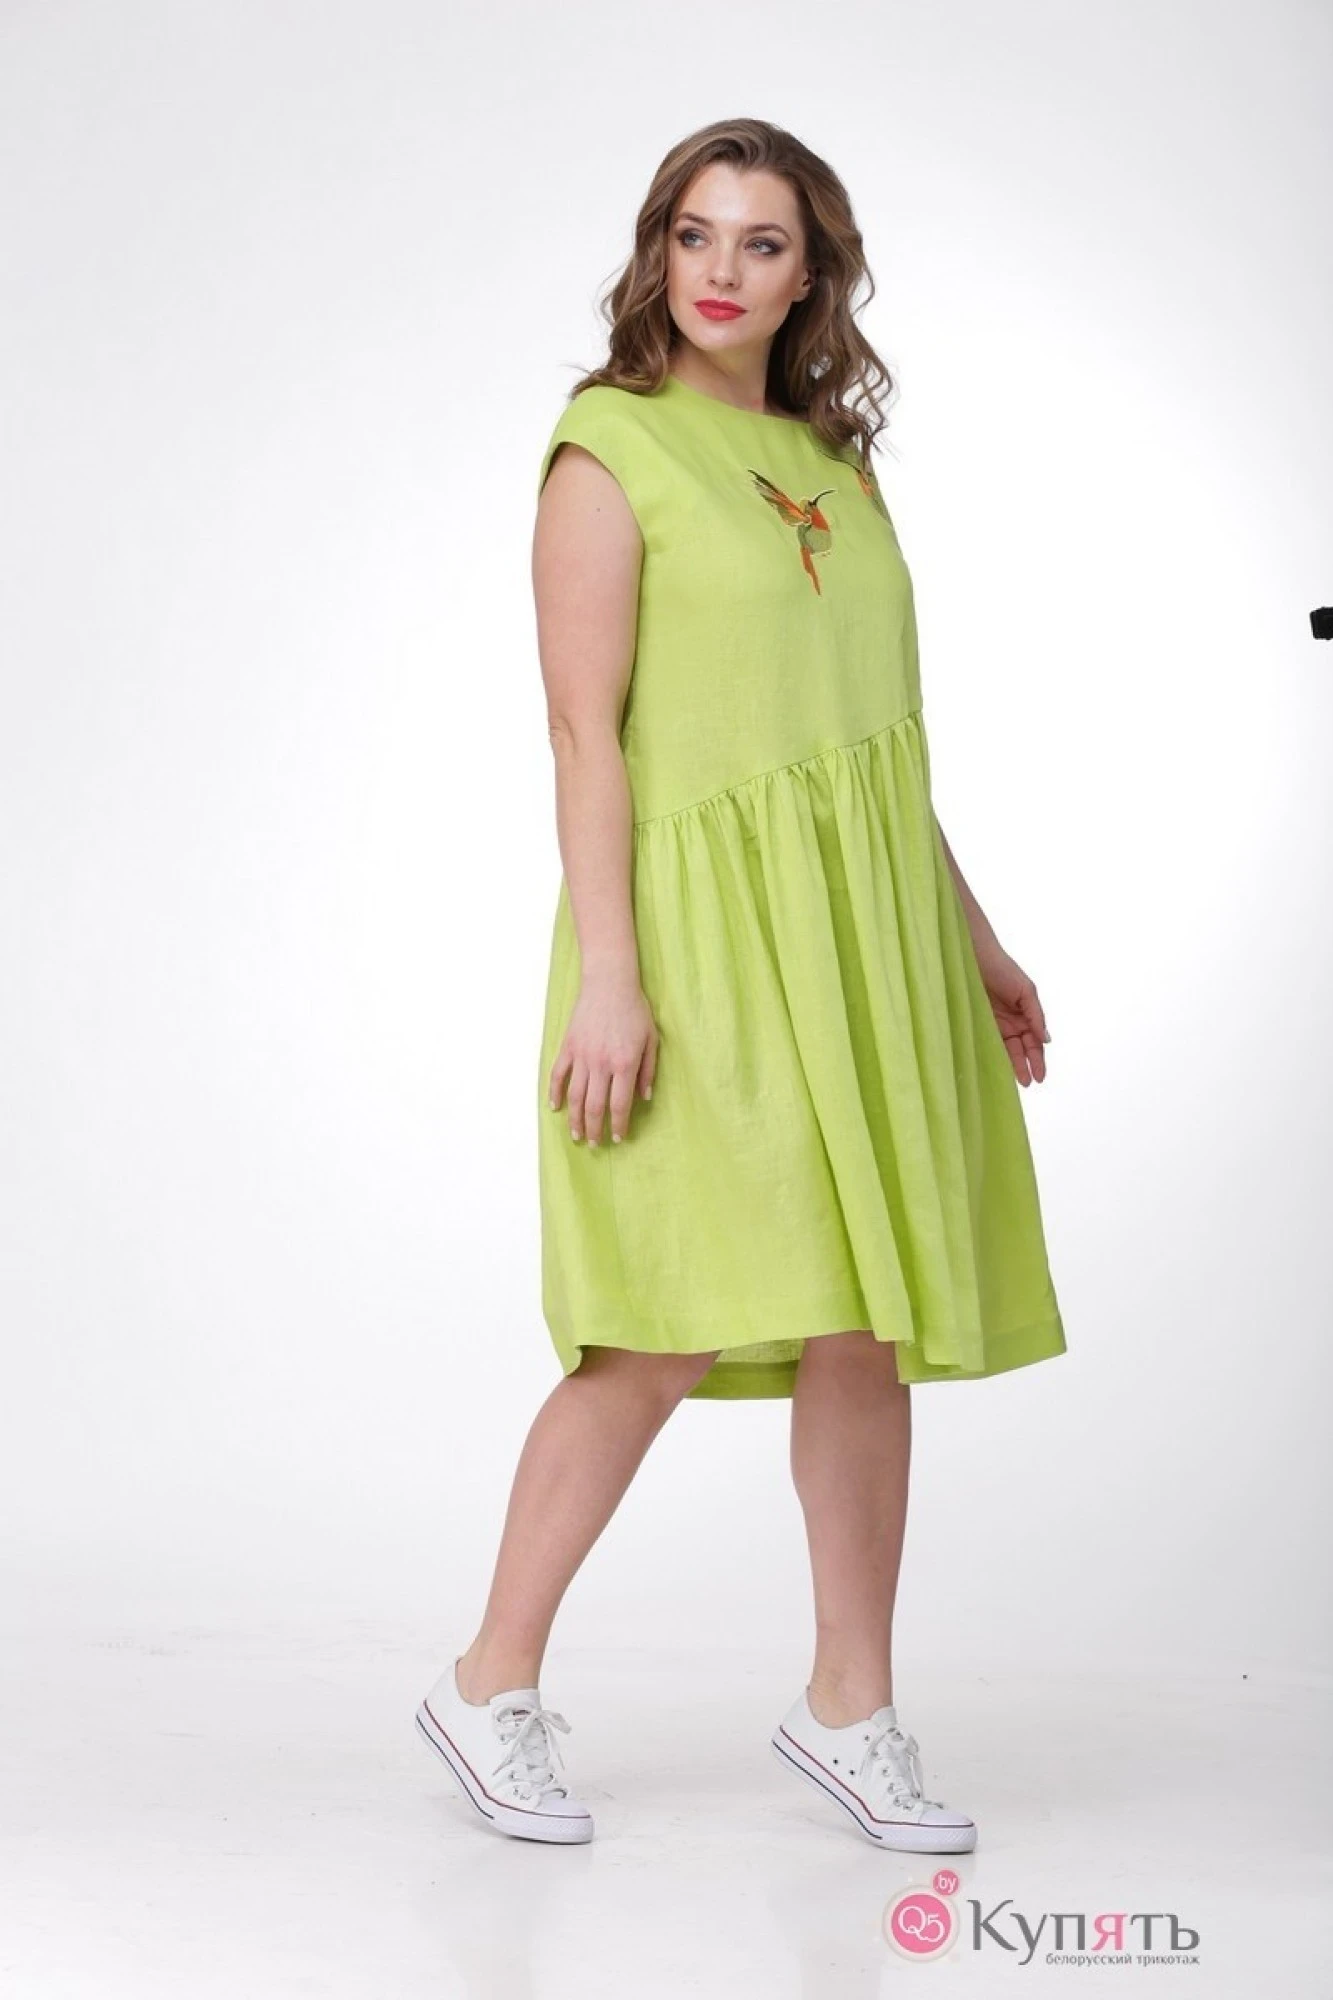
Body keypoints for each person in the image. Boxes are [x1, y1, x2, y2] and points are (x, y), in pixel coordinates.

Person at [414, 118, 1067, 1852]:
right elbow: (585, 740)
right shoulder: (607, 452)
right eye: (695, 234)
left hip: (865, 934)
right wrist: (611, 981)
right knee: (660, 1314)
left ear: (811, 275)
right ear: (657, 252)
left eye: (761, 243)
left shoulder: (838, 464)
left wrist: (974, 937)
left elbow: (873, 750)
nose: (721, 270)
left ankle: (852, 1706)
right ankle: (488, 1682)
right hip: (692, 939)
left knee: (864, 1322)